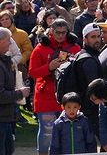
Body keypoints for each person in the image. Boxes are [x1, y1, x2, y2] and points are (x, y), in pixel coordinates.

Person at [29, 18, 81, 155]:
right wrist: (49, 67)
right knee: (47, 131)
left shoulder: (75, 48)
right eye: (57, 32)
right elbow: (32, 73)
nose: (60, 36)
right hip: (45, 95)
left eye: (64, 33)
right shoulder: (40, 48)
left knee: (68, 129)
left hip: (67, 95)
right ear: (51, 31)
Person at [0, 27, 30, 155]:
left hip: (6, 118)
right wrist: (20, 93)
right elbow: (0, 95)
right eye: (8, 40)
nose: (11, 43)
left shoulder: (4, 62)